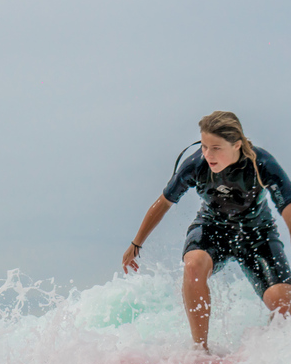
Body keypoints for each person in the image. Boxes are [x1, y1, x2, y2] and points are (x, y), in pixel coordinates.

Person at [121, 111, 291, 351]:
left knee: (284, 305)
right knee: (193, 265)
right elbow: (163, 203)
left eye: (216, 148)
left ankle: (266, 350)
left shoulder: (262, 164)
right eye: (204, 146)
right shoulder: (197, 165)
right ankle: (200, 350)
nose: (208, 154)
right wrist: (136, 243)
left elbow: (288, 208)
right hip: (212, 228)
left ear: (237, 145)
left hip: (257, 235)